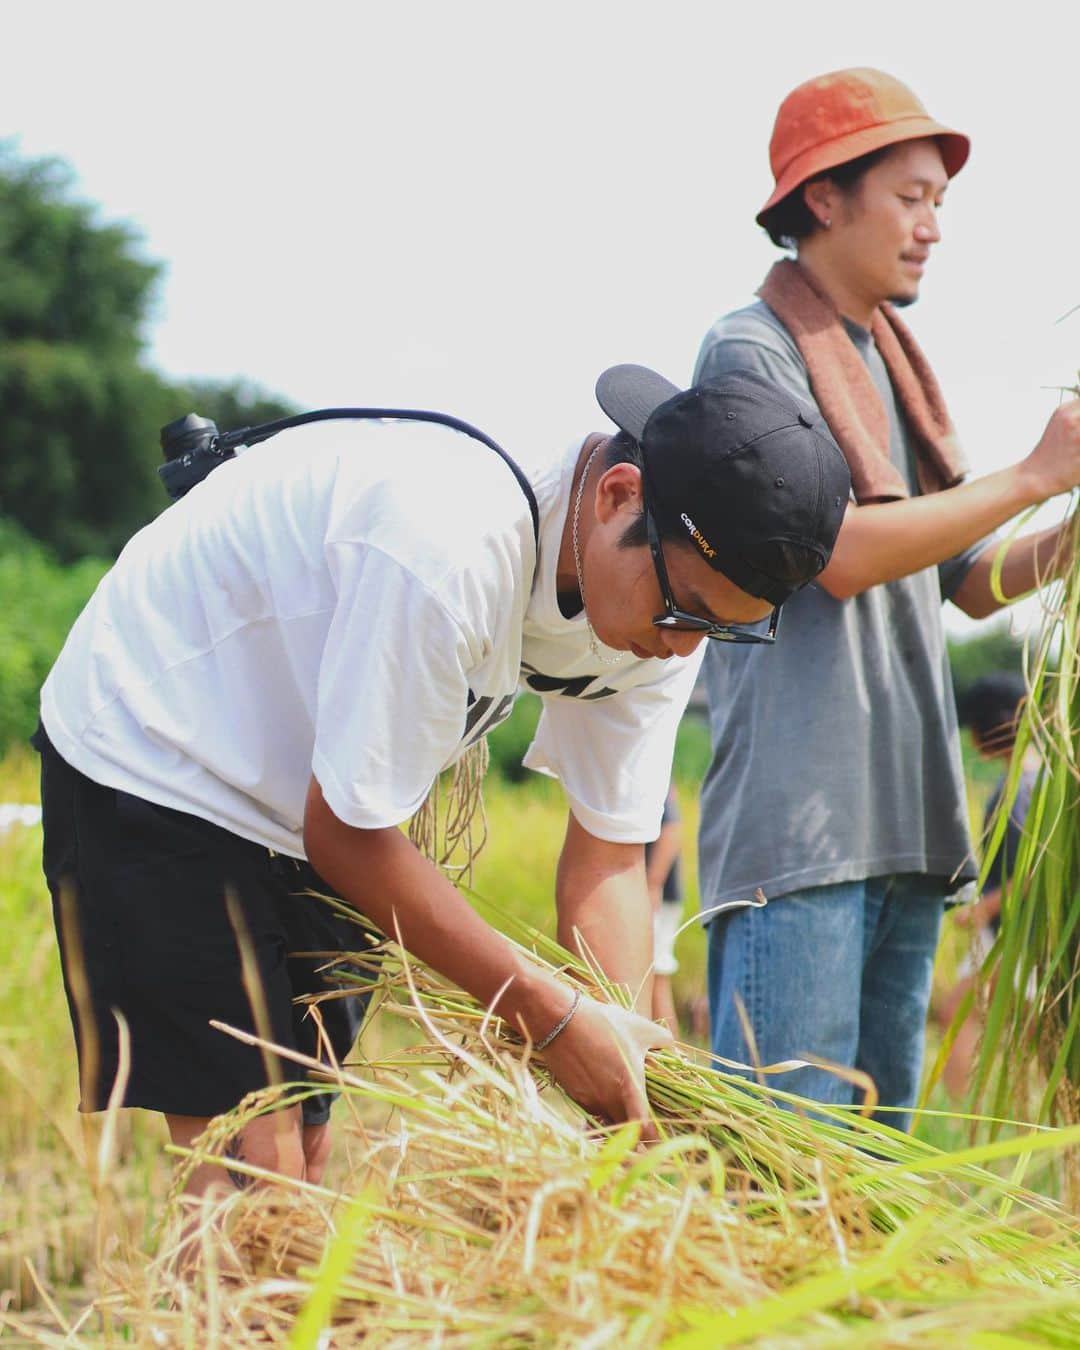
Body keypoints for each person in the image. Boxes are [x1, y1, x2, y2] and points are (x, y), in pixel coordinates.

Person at [35, 364, 851, 1195]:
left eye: (721, 629)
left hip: (314, 787)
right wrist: (550, 1014)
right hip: (160, 752)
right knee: (255, 1179)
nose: (685, 650)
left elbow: (610, 858)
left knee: (307, 1155)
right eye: (686, 615)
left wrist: (642, 1073)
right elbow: (347, 836)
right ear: (617, 495)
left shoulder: (673, 607)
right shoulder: (452, 544)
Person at [692, 67, 1080, 1130]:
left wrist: (1067, 530)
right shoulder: (753, 353)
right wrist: (1034, 475)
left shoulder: (893, 366)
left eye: (939, 206)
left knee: (871, 1181)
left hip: (908, 825)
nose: (932, 229)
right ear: (823, 198)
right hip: (804, 834)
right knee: (789, 1172)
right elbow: (841, 556)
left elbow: (961, 586)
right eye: (911, 198)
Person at [932, 673, 1037, 1099]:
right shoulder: (1032, 780)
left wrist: (984, 908)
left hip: (1017, 936)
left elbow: (1035, 870)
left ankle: (960, 1117)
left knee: (960, 1014)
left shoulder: (1023, 790)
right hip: (1015, 936)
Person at [646, 782, 685, 1031]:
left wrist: (652, 883)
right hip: (656, 894)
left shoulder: (655, 773)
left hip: (656, 897)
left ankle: (674, 1060)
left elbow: (671, 830)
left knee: (656, 975)